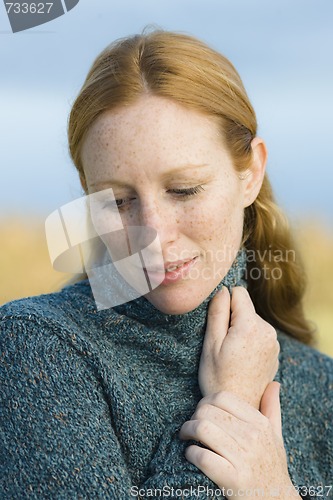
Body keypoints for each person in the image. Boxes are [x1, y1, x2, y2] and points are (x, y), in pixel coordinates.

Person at [1, 30, 332, 499]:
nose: (152, 235)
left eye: (184, 190)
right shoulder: (37, 346)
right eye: (119, 200)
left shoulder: (321, 385)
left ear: (250, 173)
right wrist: (228, 404)